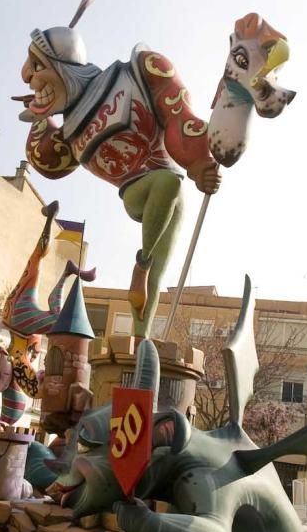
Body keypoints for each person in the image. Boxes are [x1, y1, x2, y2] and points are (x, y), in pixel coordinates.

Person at [17, 26, 221, 339]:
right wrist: (39, 117)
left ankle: (142, 347)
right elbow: (44, 159)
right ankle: (142, 263)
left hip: (169, 184)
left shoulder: (140, 71)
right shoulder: (69, 136)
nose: (25, 75)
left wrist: (199, 162)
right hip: (137, 191)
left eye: (37, 65)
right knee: (169, 184)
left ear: (63, 67)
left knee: (155, 283)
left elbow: (180, 115)